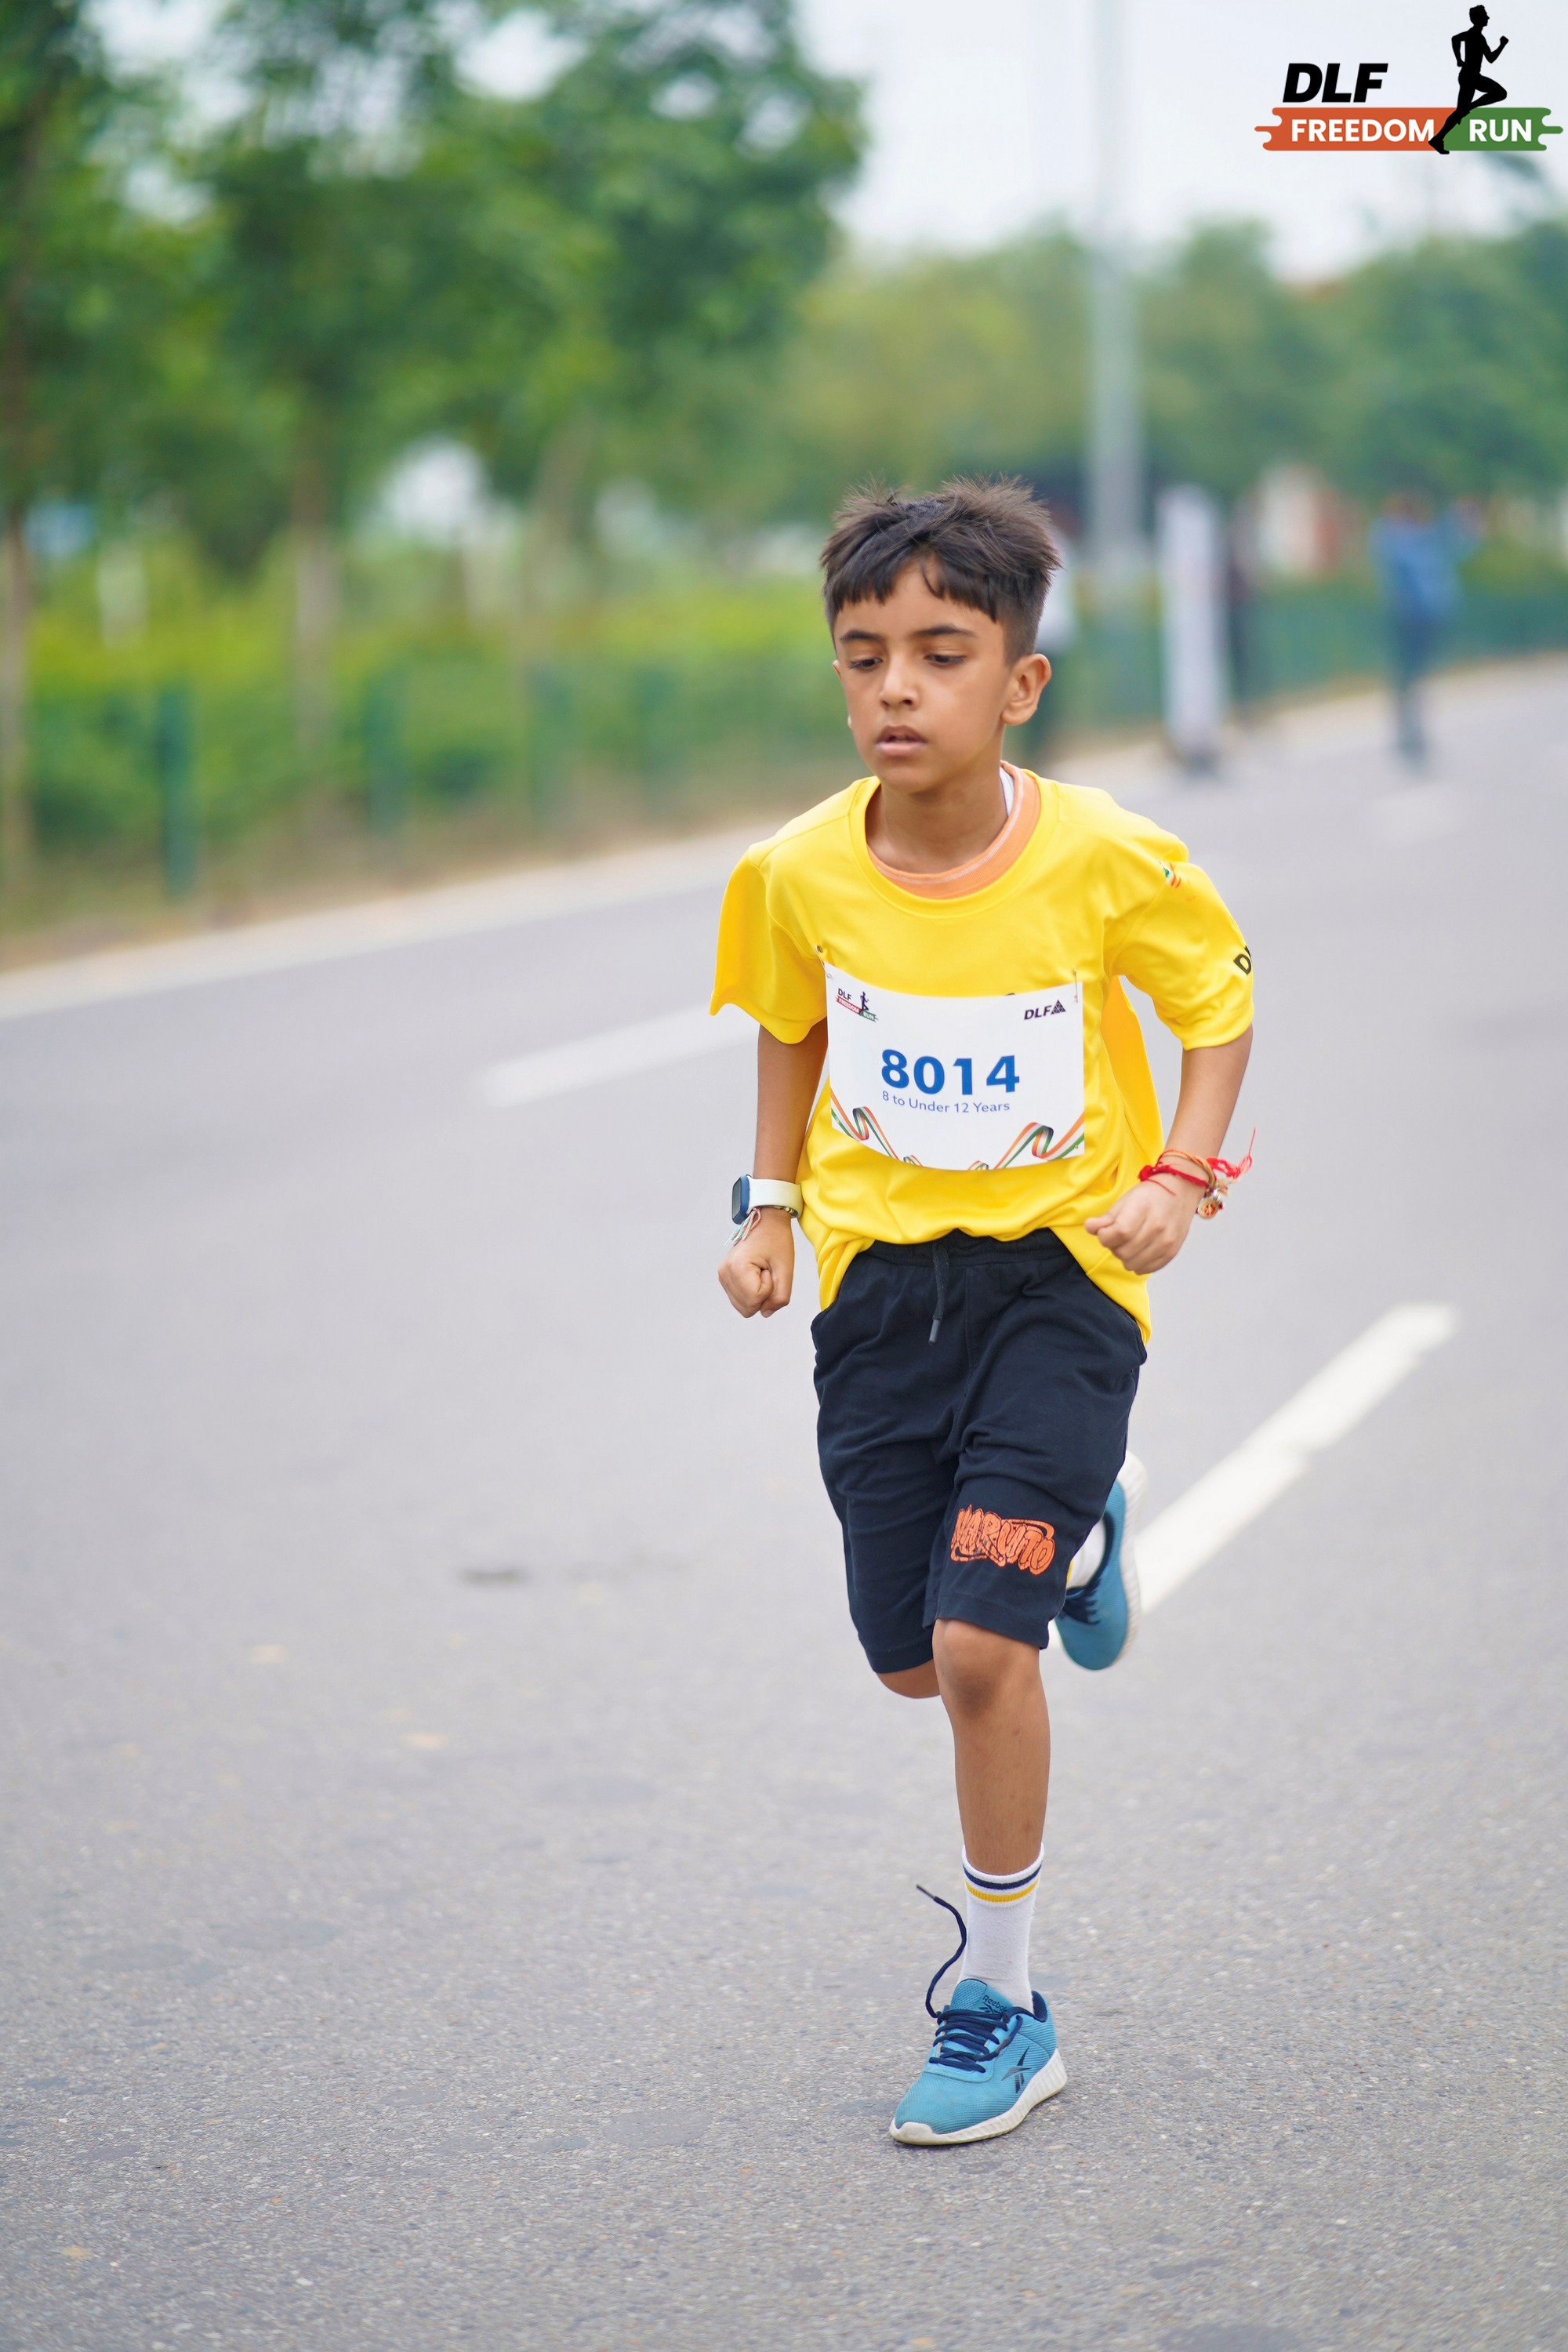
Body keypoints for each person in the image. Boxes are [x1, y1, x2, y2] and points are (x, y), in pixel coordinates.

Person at [711, 479, 1254, 2146]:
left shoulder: (1104, 855)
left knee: (975, 1653)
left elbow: (1215, 1003)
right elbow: (792, 1025)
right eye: (863, 652)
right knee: (906, 1660)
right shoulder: (795, 871)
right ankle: (1081, 1536)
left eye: (941, 653)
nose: (896, 687)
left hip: (1059, 1283)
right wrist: (769, 1206)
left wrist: (1182, 1175)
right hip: (883, 1296)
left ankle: (1000, 2004)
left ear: (1019, 681)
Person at [1367, 494, 1475, 764]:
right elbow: (1456, 539)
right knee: (1410, 675)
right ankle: (1410, 729)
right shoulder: (1412, 541)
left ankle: (1411, 728)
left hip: (1414, 617)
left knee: (1410, 675)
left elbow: (1460, 540)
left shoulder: (1412, 540)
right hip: (1416, 617)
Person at [1431, 7, 1508, 152]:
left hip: (1471, 76)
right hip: (1470, 76)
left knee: (1460, 112)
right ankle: (1439, 137)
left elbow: (1489, 58)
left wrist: (1459, 59)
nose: (1488, 18)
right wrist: (1459, 59)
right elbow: (1455, 39)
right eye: (1485, 16)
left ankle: (1438, 138)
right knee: (1500, 93)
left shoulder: (1478, 36)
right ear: (1478, 18)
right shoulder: (1474, 35)